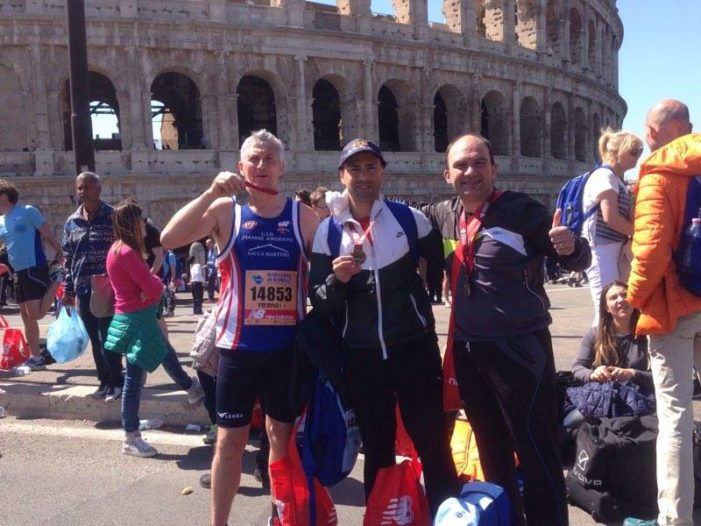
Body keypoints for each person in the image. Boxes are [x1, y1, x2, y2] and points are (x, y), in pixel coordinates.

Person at [418, 133, 591, 526]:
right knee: (491, 453)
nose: (470, 172)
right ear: (447, 174)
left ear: (494, 168)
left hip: (520, 351)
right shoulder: (443, 215)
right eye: (461, 165)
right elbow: (396, 217)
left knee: (537, 452)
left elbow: (577, 254)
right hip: (469, 351)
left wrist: (571, 247)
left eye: (479, 162)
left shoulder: (520, 211)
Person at [160, 129, 318, 526]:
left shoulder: (301, 216)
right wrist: (209, 193)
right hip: (237, 350)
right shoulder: (228, 212)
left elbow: (338, 260)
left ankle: (279, 515)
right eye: (254, 159)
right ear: (241, 167)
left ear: (282, 166)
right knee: (230, 442)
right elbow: (169, 237)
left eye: (269, 159)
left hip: (285, 349)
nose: (261, 166)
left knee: (281, 438)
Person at [308, 138, 458, 517]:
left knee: (433, 443)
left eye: (370, 167)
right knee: (376, 448)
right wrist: (337, 282)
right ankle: (380, 518)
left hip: (414, 351)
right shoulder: (327, 233)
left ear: (381, 173)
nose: (363, 176)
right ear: (341, 175)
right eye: (354, 169)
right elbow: (321, 302)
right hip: (362, 357)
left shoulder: (410, 219)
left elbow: (447, 264)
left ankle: (447, 516)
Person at [628, 99, 700, 526]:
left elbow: (651, 252)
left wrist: (635, 297)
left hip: (673, 307)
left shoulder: (658, 173)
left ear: (655, 133)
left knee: (675, 415)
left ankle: (675, 518)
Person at [103, 200, 204, 457]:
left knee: (164, 351)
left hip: (131, 314)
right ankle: (130, 436)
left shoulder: (115, 249)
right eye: (141, 219)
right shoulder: (127, 252)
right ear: (132, 224)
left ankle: (191, 388)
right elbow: (152, 287)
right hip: (138, 316)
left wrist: (150, 288)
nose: (145, 224)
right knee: (135, 379)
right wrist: (157, 284)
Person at [62, 172, 123, 400]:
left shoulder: (112, 216)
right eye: (79, 188)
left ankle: (117, 382)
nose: (82, 192)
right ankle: (104, 381)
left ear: (98, 189)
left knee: (108, 336)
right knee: (94, 339)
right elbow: (68, 259)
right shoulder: (71, 221)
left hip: (107, 288)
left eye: (86, 187)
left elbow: (122, 250)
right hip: (82, 287)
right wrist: (68, 290)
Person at [565, 280, 653, 425]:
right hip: (602, 397)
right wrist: (593, 374)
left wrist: (632, 374)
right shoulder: (594, 334)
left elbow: (662, 377)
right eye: (613, 297)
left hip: (639, 398)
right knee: (571, 422)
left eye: (625, 295)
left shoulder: (648, 334)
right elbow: (577, 368)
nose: (620, 300)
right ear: (606, 307)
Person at [0, 179, 64, 369]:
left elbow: (47, 234)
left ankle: (58, 279)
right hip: (17, 271)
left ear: (5, 196)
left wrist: (61, 253)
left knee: (35, 314)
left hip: (34, 266)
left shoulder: (28, 211)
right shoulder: (1, 220)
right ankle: (35, 357)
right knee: (25, 316)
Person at [582, 129, 643, 324]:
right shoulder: (604, 176)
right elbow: (611, 218)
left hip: (613, 248)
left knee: (616, 309)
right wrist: (639, 233)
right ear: (619, 151)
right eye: (633, 151)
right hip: (601, 249)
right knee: (605, 310)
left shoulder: (616, 180)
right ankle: (595, 353)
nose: (637, 157)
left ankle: (613, 351)